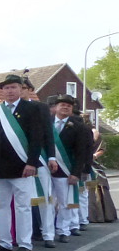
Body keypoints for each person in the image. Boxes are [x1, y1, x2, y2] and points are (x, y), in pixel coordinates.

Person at [0, 74, 46, 251]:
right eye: (6, 88)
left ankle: (24, 243)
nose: (10, 91)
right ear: (2, 91)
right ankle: (4, 242)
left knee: (23, 206)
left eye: (13, 87)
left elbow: (37, 138)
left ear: (21, 89)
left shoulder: (31, 109)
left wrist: (32, 163)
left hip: (22, 167)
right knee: (0, 206)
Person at [21, 77, 57, 247]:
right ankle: (22, 237)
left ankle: (48, 233)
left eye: (22, 87)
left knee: (43, 197)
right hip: (16, 160)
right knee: (21, 202)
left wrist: (51, 156)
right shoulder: (4, 110)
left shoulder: (40, 107)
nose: (19, 90)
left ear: (29, 90)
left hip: (39, 158)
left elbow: (48, 134)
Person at [49, 95, 88, 243]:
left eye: (69, 106)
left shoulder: (78, 127)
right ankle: (48, 230)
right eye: (62, 105)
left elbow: (81, 152)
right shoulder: (47, 123)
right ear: (56, 107)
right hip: (47, 169)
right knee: (48, 202)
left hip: (66, 170)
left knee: (65, 202)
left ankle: (63, 230)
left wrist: (76, 173)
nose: (65, 107)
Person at [88, 127, 117, 222]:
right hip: (83, 164)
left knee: (99, 187)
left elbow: (101, 149)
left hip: (94, 165)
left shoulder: (95, 133)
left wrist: (94, 156)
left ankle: (99, 215)